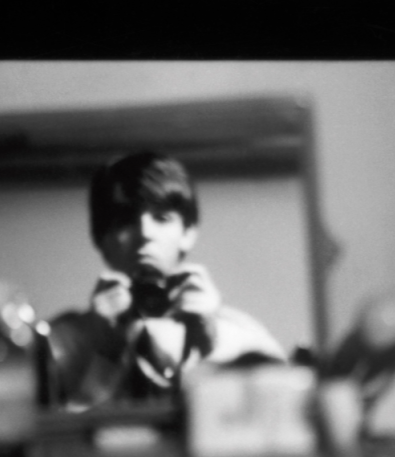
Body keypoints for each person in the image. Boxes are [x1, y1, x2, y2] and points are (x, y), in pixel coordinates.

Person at [47, 151, 286, 410]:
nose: (145, 233)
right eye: (126, 220)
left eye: (162, 218)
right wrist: (104, 356)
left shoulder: (240, 338)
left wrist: (206, 347)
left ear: (188, 233)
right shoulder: (59, 344)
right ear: (101, 238)